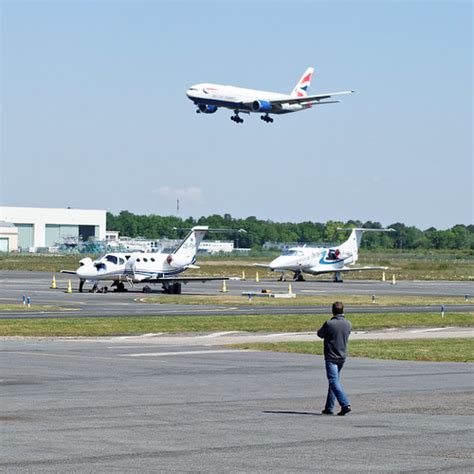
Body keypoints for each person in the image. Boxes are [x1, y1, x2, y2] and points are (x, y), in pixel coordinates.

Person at [317, 301, 352, 416]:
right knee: (334, 382)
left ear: (333, 311)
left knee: (333, 381)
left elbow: (320, 334)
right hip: (342, 356)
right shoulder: (348, 324)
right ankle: (329, 407)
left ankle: (345, 404)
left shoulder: (329, 324)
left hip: (331, 356)